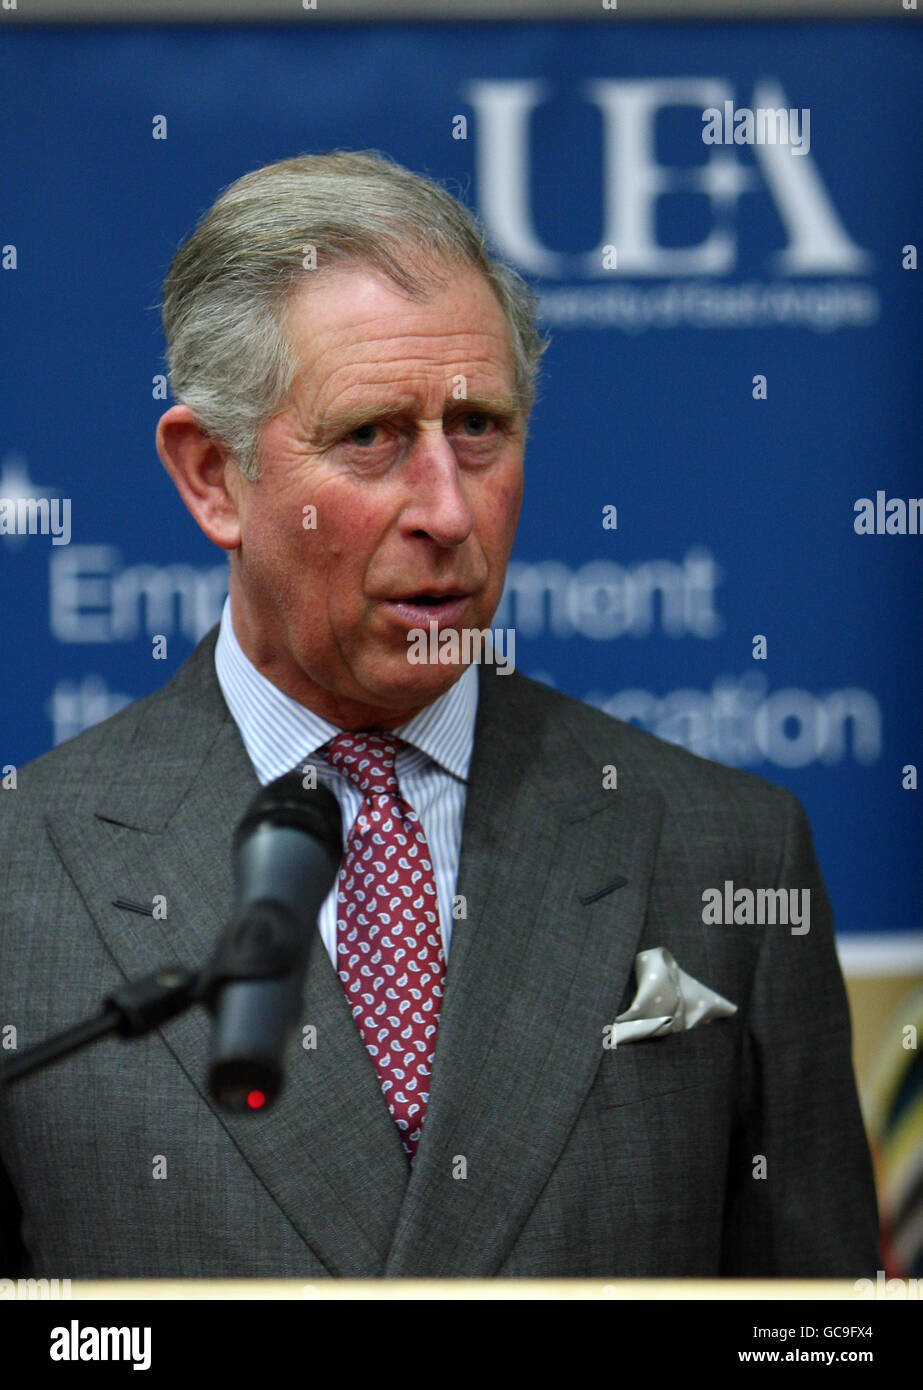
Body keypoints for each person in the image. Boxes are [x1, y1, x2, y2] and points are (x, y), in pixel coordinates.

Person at [0, 152, 880, 1280]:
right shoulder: (23, 881)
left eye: (479, 427)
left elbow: (814, 1336)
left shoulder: (726, 849)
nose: (447, 507)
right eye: (369, 435)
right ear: (213, 474)